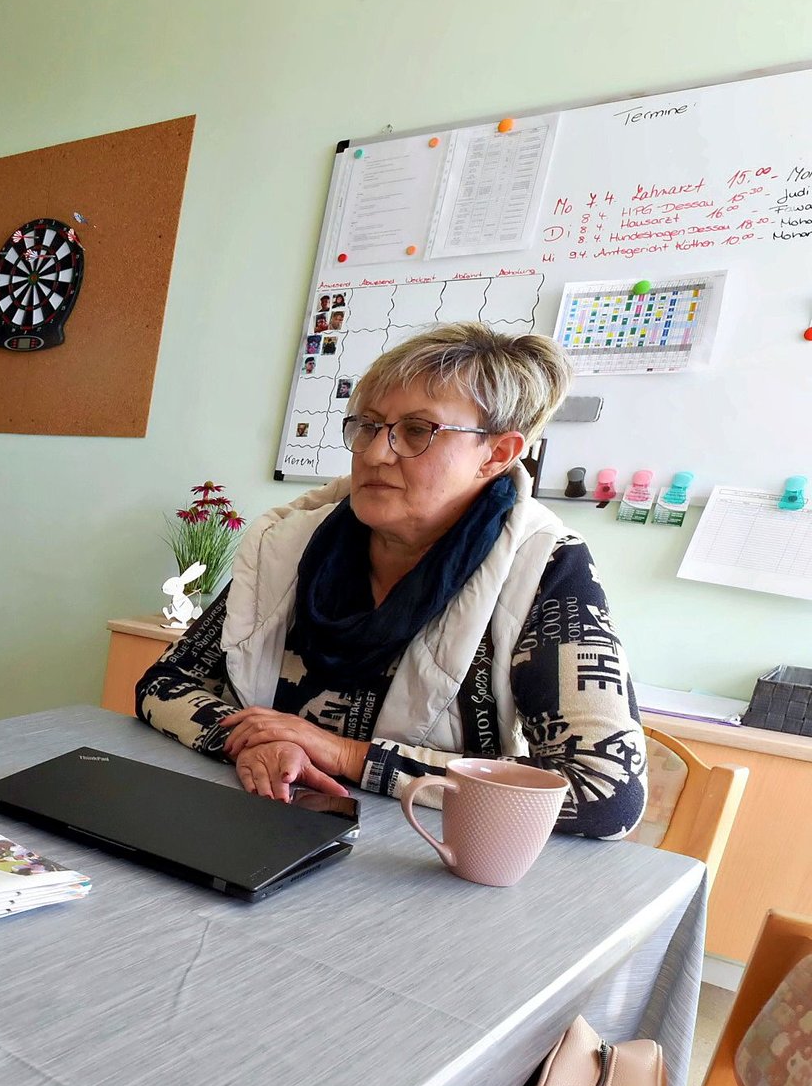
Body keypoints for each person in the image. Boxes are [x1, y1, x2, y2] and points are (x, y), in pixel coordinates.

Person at [137, 323, 646, 838]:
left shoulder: (544, 566)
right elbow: (163, 685)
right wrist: (260, 741)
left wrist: (345, 754)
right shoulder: (288, 544)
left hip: (423, 858)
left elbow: (605, 792)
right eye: (369, 425)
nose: (376, 453)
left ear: (495, 454)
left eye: (418, 430)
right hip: (258, 822)